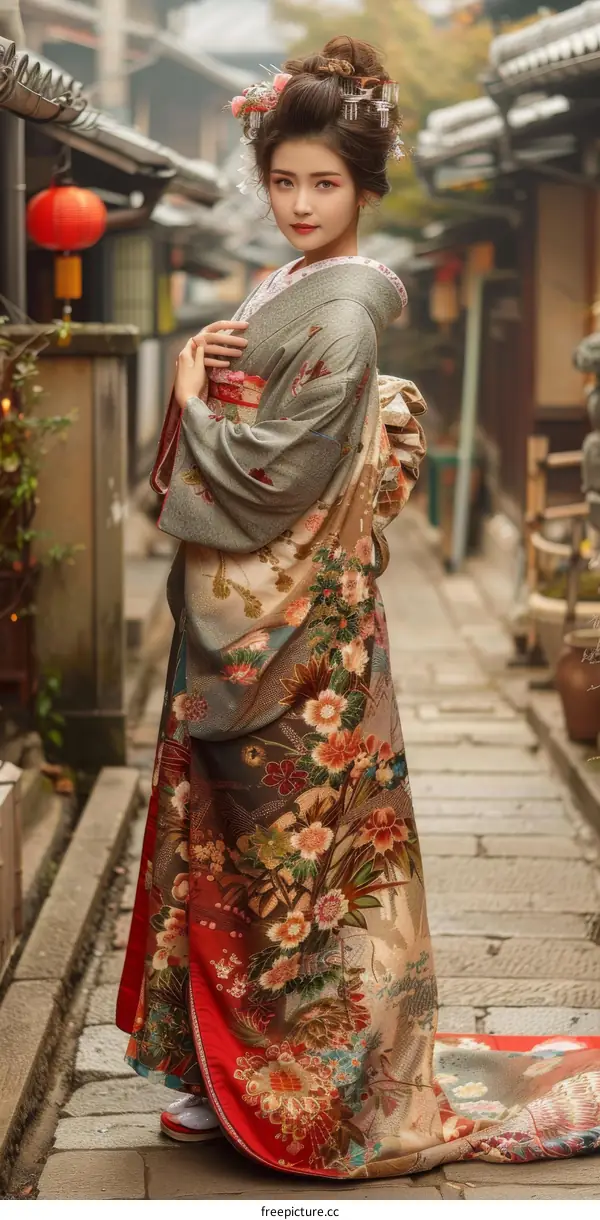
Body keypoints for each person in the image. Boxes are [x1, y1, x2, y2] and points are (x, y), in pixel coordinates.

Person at [116, 36, 600, 1179]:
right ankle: (210, 1076)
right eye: (283, 178)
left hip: (297, 638)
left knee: (299, 859)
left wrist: (193, 397)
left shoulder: (341, 316)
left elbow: (273, 479)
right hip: (271, 620)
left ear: (365, 189)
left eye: (324, 183)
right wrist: (204, 391)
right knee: (234, 846)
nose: (299, 202)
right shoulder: (290, 290)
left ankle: (310, 1086)